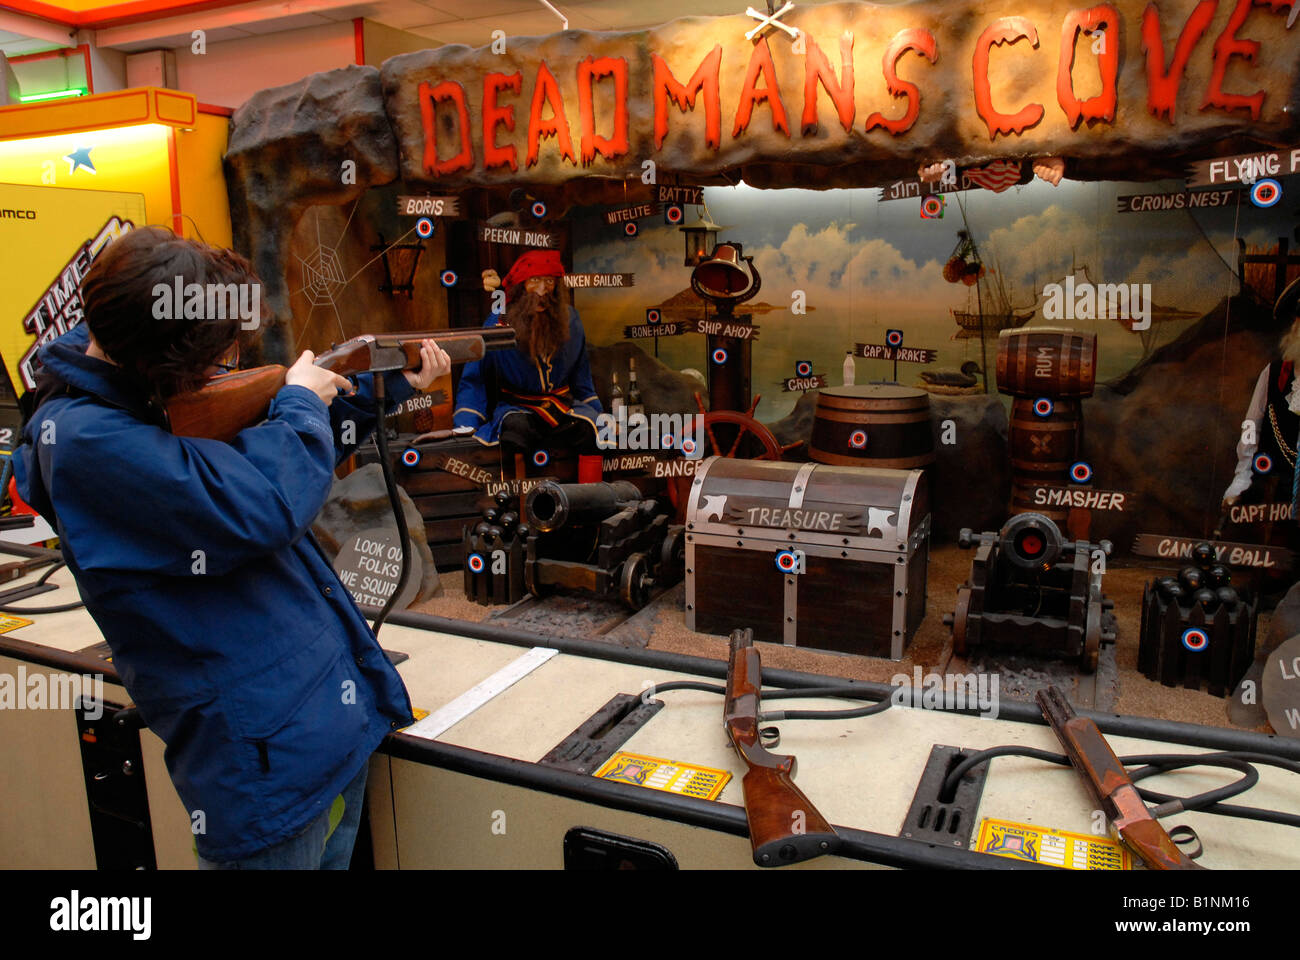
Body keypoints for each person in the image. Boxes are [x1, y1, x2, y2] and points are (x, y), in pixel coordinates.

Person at [13, 226, 451, 869]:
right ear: (165, 363)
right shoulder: (87, 441)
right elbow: (263, 504)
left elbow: (260, 453)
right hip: (261, 768)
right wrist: (300, 400)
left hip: (318, 734)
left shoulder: (143, 392)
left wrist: (388, 390)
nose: (227, 368)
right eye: (217, 360)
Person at [454, 250, 604, 482]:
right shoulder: (498, 323)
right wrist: (467, 423)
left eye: (549, 282)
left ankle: (592, 500)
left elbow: (582, 380)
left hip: (562, 407)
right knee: (515, 430)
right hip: (519, 408)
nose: (542, 290)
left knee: (592, 429)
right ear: (521, 286)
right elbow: (475, 378)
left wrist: (600, 414)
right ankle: (523, 506)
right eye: (534, 281)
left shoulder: (571, 320)